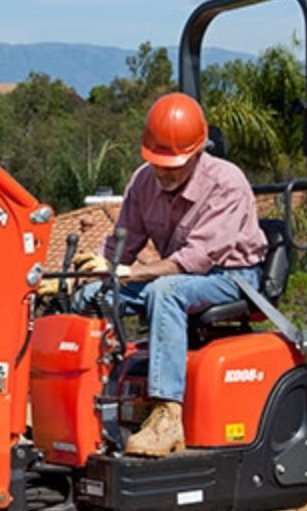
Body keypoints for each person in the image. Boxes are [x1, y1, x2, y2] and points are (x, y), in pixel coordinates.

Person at [72, 92, 268, 458]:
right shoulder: (144, 181)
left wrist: (127, 272)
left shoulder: (227, 183)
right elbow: (120, 245)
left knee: (166, 292)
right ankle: (88, 404)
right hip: (175, 277)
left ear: (197, 152)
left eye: (173, 164)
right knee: (90, 298)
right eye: (157, 162)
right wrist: (83, 277)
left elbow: (195, 259)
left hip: (231, 277)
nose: (164, 171)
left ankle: (168, 416)